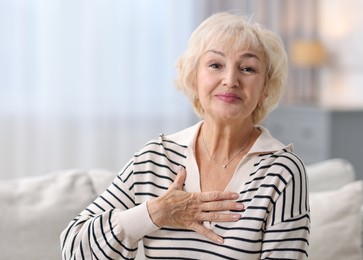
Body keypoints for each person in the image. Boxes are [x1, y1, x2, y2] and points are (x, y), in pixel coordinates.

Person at [60, 12, 310, 260]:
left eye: (247, 68)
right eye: (215, 65)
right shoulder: (156, 157)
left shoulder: (282, 171)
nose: (230, 80)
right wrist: (155, 213)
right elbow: (74, 248)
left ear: (266, 86)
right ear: (193, 77)